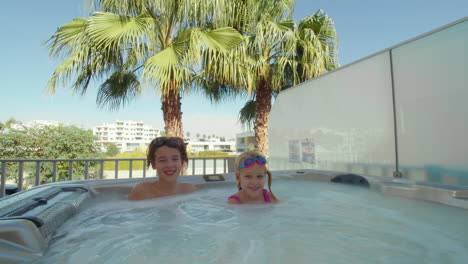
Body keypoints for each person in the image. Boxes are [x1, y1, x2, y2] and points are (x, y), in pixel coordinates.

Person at [128, 136, 196, 200]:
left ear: (182, 162)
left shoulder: (189, 190)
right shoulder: (142, 191)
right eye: (162, 160)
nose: (169, 165)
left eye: (175, 159)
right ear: (154, 164)